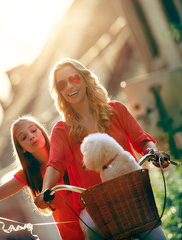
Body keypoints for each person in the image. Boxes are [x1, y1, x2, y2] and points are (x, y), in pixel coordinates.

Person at [34, 58, 168, 240]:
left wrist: (154, 153)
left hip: (131, 197)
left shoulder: (117, 110)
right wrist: (45, 191)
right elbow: (55, 164)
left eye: (74, 79)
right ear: (59, 92)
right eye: (62, 84)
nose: (69, 86)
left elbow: (142, 140)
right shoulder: (62, 130)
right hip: (94, 207)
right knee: (92, 230)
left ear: (84, 79)